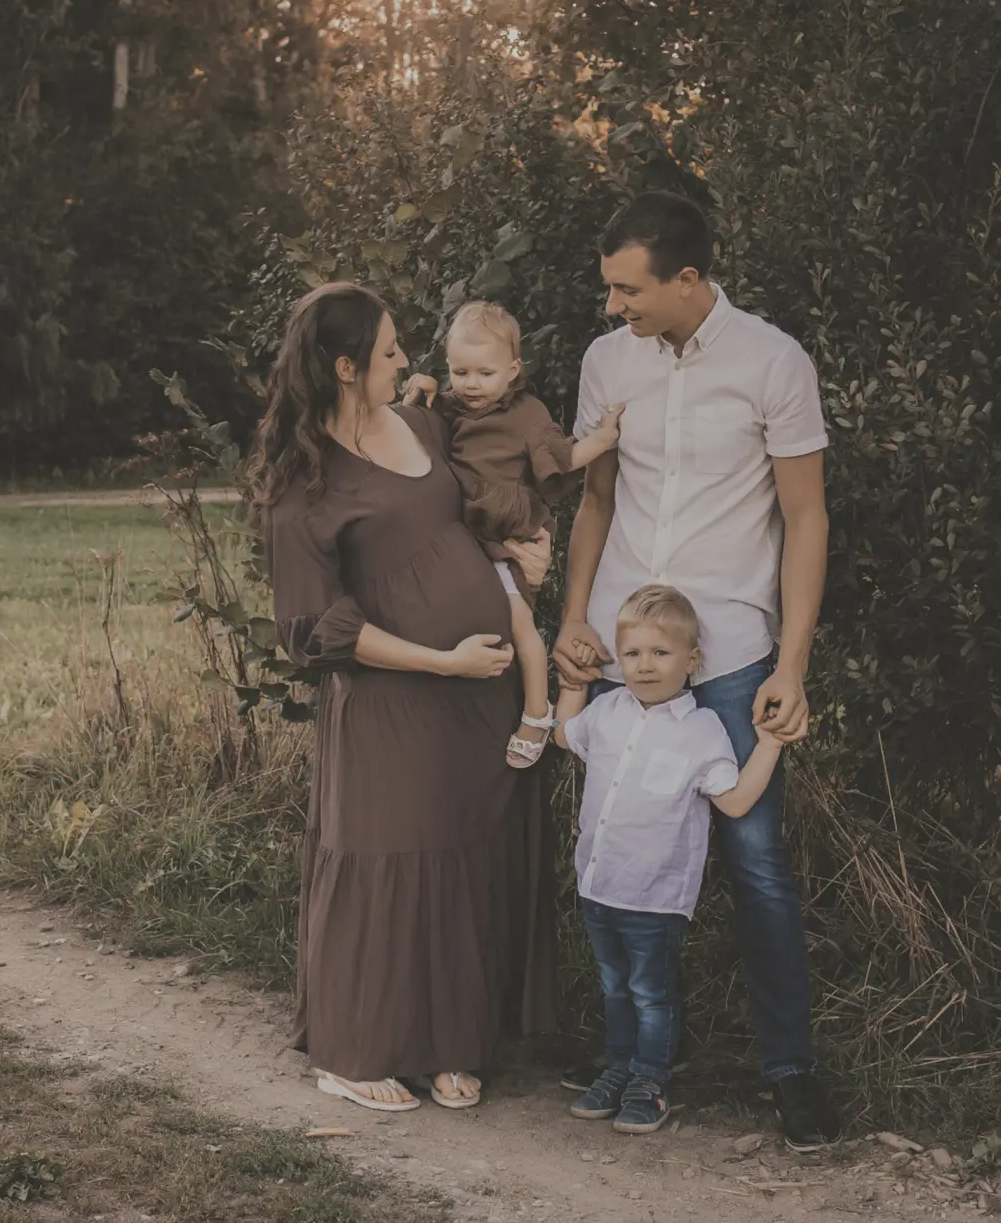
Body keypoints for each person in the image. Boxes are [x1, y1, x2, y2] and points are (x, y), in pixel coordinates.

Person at [553, 191, 840, 1152]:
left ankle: (789, 1071)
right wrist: (572, 622)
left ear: (685, 279)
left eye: (626, 288)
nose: (612, 306)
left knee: (755, 865)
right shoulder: (607, 361)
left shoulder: (772, 360)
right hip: (621, 647)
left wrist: (790, 665)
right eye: (608, 289)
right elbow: (593, 503)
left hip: (729, 657)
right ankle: (625, 1056)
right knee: (614, 842)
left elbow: (805, 517)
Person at [247, 282, 555, 1115]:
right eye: (387, 351)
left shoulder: (423, 424)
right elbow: (315, 626)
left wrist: (523, 549)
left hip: (479, 695)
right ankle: (360, 1050)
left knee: (463, 857)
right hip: (394, 701)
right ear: (345, 366)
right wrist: (439, 661)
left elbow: (483, 492)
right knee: (388, 858)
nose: (404, 361)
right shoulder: (301, 483)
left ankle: (453, 1043)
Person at [553, 584, 785, 1134]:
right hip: (599, 885)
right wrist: (570, 684)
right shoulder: (607, 709)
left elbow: (734, 800)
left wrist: (771, 744)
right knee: (614, 985)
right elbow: (565, 736)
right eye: (632, 653)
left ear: (692, 661)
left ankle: (650, 1079)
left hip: (654, 894)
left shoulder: (702, 732)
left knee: (651, 993)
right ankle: (616, 1068)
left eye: (660, 653)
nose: (645, 666)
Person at [403, 300, 623, 768]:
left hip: (508, 532)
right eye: (459, 372)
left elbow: (559, 458)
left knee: (515, 616)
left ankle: (538, 712)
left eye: (484, 373)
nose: (471, 384)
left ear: (512, 368)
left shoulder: (525, 413)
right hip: (468, 529)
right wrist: (422, 385)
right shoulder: (456, 406)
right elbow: (422, 420)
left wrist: (601, 441)